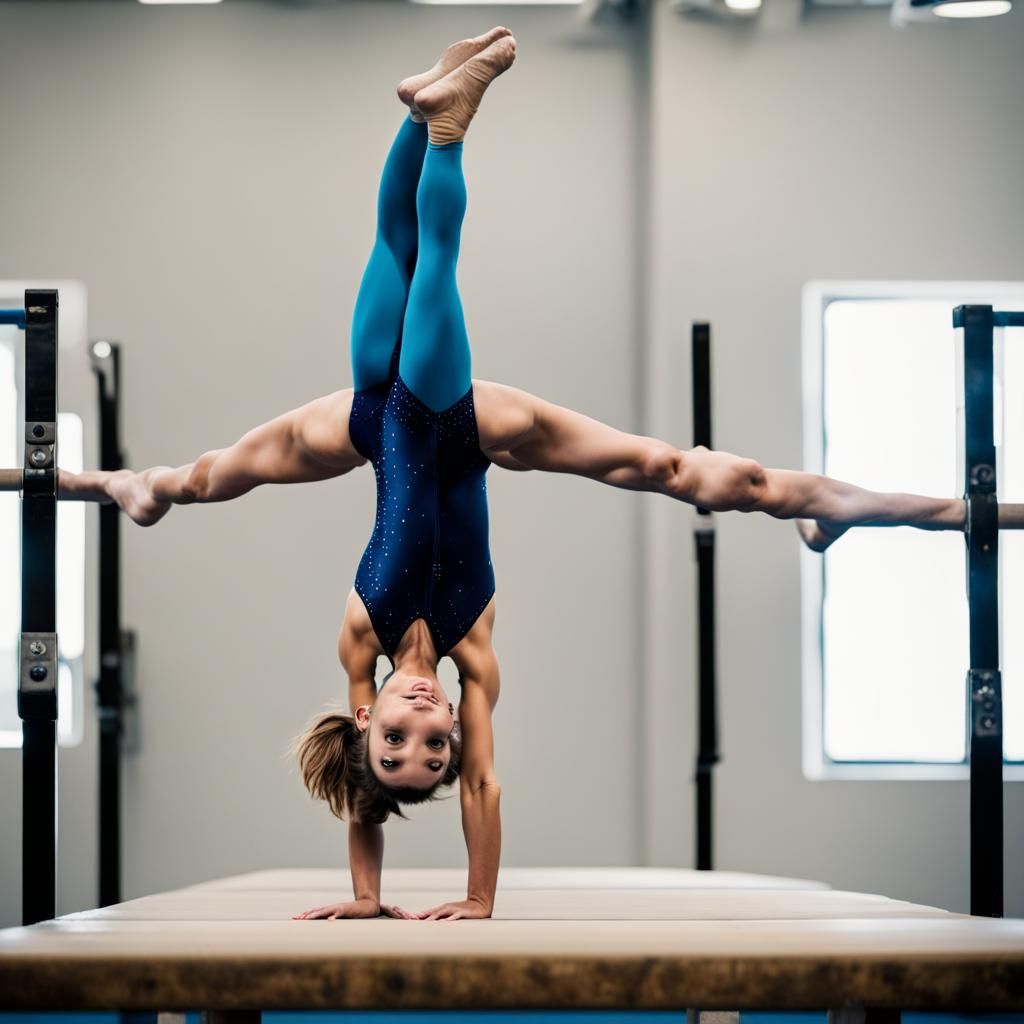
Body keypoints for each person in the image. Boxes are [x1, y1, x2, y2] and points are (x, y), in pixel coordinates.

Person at [58, 27, 971, 921]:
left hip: (371, 422)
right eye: (431, 742)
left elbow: (361, 803)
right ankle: (871, 507)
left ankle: (140, 483)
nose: (419, 721)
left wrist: (368, 898)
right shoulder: (477, 659)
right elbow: (485, 787)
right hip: (472, 422)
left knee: (268, 407)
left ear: (365, 721)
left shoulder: (357, 646)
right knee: (676, 466)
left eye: (393, 739)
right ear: (454, 725)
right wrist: (477, 898)